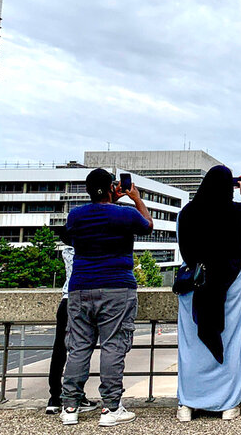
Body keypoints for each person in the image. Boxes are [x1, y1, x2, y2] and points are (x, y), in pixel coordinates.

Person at [60, 168, 153, 426]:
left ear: (88, 191)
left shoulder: (76, 215)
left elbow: (71, 234)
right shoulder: (125, 214)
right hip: (116, 287)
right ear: (113, 188)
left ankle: (70, 407)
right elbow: (148, 225)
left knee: (78, 347)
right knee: (113, 345)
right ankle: (111, 408)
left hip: (80, 287)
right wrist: (135, 198)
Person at [175, 166, 241, 422]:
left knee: (192, 348)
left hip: (195, 288)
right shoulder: (240, 214)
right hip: (230, 289)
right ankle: (227, 404)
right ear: (230, 187)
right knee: (231, 342)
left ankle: (187, 404)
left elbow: (184, 244)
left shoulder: (187, 214)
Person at [46, 243, 98, 415]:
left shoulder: (67, 249)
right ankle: (76, 395)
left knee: (59, 349)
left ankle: (54, 396)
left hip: (67, 299)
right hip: (84, 298)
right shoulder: (90, 246)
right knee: (81, 350)